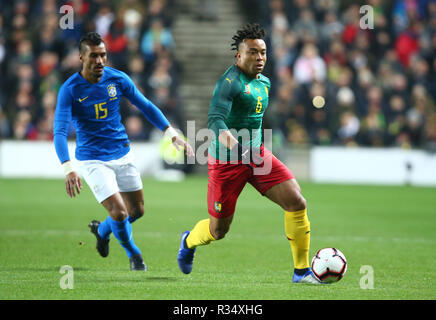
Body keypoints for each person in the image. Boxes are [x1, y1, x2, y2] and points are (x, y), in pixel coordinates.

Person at [177, 23, 320, 284]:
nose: (260, 57)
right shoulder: (229, 83)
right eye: (253, 52)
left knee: (297, 202)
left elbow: (252, 120)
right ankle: (188, 241)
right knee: (218, 231)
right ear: (239, 56)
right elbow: (215, 121)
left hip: (256, 154)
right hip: (227, 161)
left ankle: (301, 272)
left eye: (263, 52)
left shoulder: (264, 82)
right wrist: (237, 147)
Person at [53, 32, 193, 271]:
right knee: (119, 212)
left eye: (103, 55)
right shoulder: (70, 90)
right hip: (93, 160)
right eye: (94, 56)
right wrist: (68, 168)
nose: (99, 61)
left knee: (136, 211)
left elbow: (146, 106)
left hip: (122, 153)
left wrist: (170, 132)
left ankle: (102, 230)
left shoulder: (117, 79)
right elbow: (59, 131)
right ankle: (135, 255)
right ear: (81, 57)